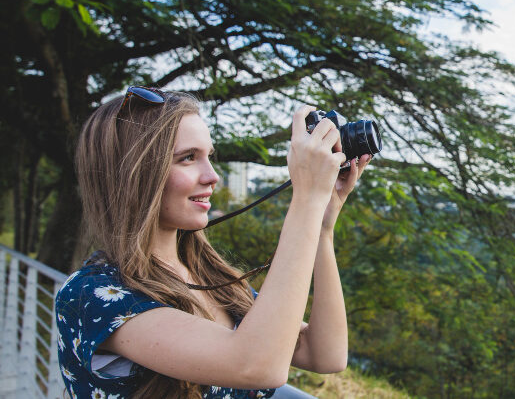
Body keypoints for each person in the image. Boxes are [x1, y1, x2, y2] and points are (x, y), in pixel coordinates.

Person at [55, 86, 370, 398]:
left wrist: (323, 226)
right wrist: (306, 198)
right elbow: (256, 365)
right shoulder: (92, 295)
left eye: (209, 156)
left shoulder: (212, 278)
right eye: (188, 158)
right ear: (133, 173)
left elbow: (325, 354)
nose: (212, 175)